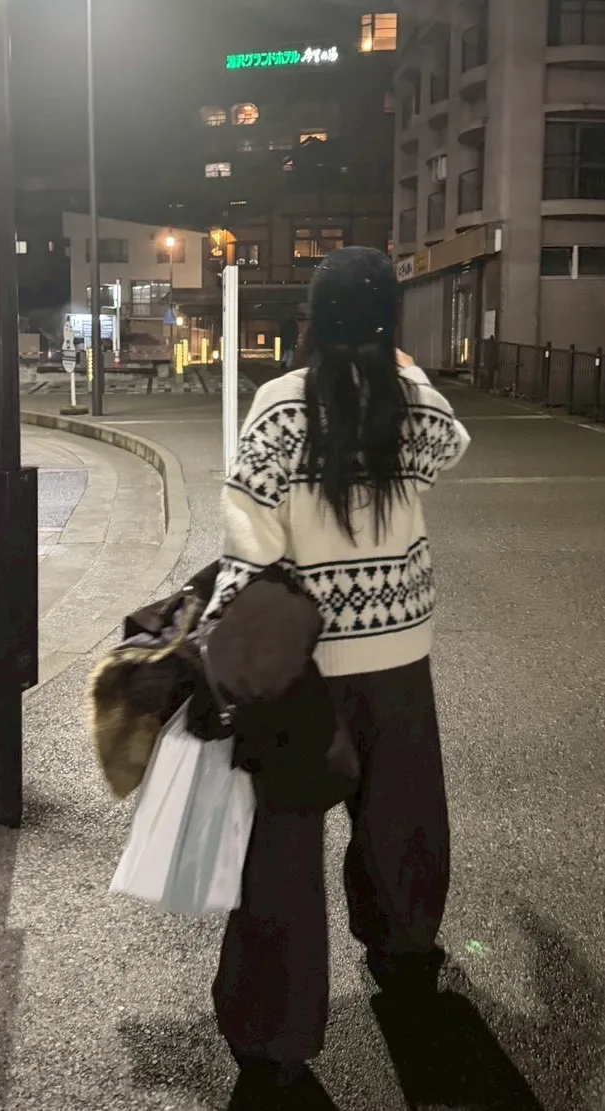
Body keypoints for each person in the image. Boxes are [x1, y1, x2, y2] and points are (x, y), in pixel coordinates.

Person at [202, 246, 471, 1090]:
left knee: (282, 846)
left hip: (302, 662)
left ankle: (274, 1033)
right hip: (399, 649)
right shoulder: (409, 401)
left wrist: (221, 642)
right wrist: (401, 362)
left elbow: (249, 532)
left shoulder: (282, 402)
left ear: (313, 317)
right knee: (402, 812)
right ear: (388, 319)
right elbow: (451, 446)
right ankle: (404, 950)